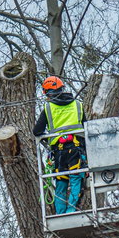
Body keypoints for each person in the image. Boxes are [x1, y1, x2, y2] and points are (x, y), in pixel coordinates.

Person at [33, 76, 86, 215]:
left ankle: (61, 213)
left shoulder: (48, 108)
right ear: (62, 88)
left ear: (47, 93)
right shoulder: (78, 105)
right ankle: (71, 210)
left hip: (59, 152)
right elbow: (87, 127)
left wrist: (47, 138)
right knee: (76, 180)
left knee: (61, 183)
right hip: (76, 149)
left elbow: (37, 131)